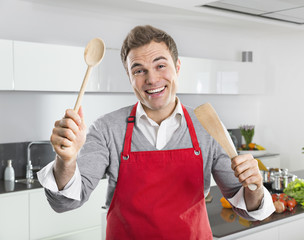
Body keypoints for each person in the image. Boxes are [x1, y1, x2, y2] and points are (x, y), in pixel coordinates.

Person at [38, 25, 275, 239]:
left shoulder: (207, 124)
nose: (152, 79)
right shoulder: (107, 128)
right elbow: (65, 203)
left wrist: (253, 185)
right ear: (129, 77)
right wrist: (66, 160)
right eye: (139, 70)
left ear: (177, 67)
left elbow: (247, 207)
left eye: (160, 65)